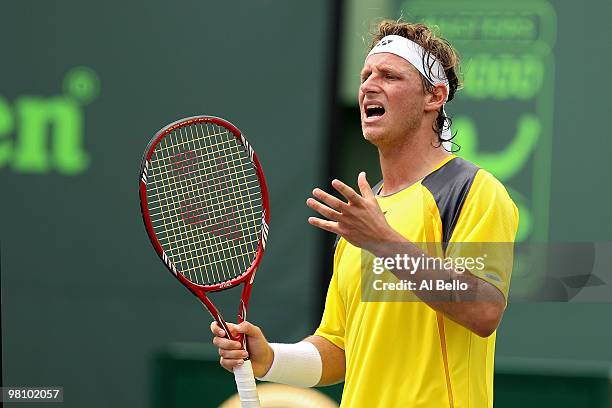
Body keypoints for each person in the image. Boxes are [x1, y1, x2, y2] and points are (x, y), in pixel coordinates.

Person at [211, 20, 518, 408]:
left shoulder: (471, 189)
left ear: (434, 97)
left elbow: (483, 309)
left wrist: (382, 241)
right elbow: (339, 348)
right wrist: (270, 358)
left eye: (389, 75)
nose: (369, 86)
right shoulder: (362, 217)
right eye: (365, 75)